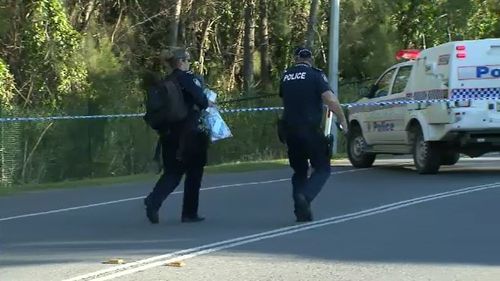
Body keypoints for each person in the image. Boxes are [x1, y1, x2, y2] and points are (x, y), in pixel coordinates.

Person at [279, 47, 348, 222]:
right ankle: (306, 196)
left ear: (296, 58)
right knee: (323, 167)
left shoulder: (286, 76)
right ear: (310, 59)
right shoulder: (315, 75)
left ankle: (301, 211)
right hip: (310, 130)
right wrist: (342, 119)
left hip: (290, 131)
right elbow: (330, 100)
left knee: (299, 171)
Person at [144, 47, 212, 224]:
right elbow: (202, 101)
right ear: (181, 61)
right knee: (194, 173)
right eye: (188, 60)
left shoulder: (166, 81)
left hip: (168, 134)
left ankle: (154, 200)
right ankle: (189, 213)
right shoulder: (187, 79)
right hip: (191, 134)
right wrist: (208, 102)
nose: (189, 63)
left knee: (172, 173)